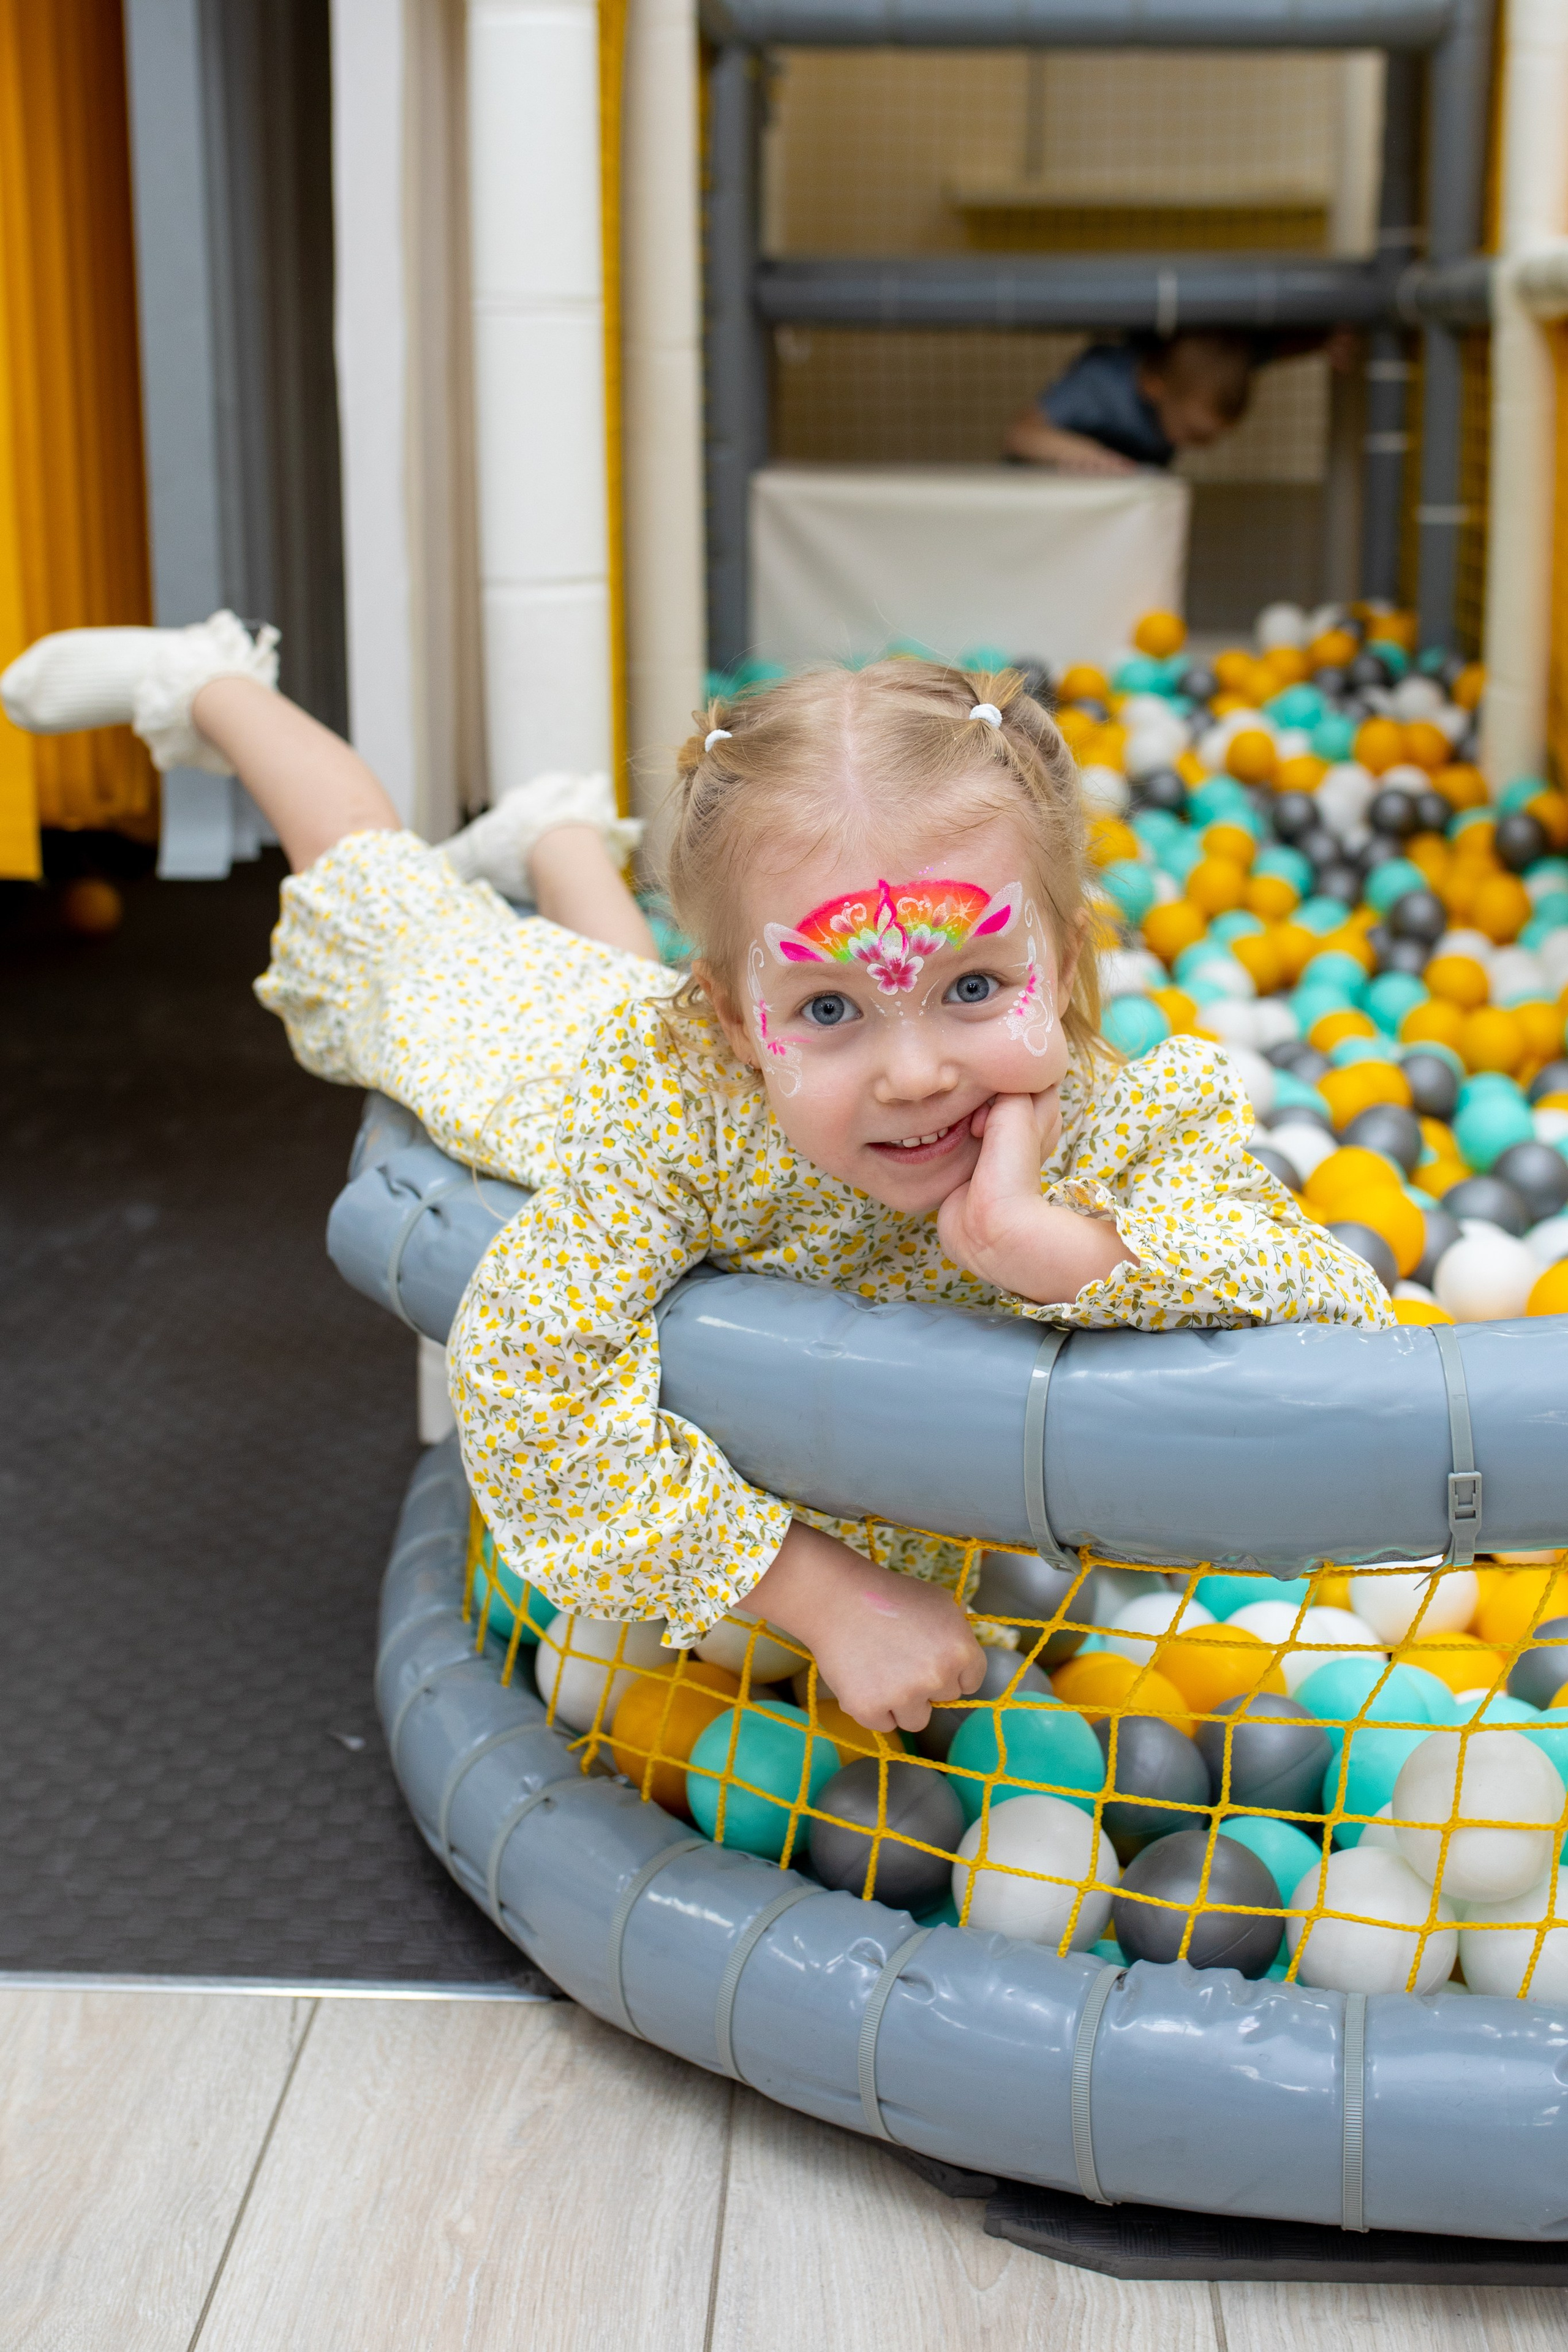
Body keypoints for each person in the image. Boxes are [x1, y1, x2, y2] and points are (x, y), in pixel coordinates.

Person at [3, 617, 1390, 1738]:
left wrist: (1054, 1246)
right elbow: (527, 1371)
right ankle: (214, 684)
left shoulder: (1099, 1112)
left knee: (626, 973)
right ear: (735, 1021)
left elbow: (1326, 1301)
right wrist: (822, 1592)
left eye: (972, 985)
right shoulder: (668, 1117)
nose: (916, 1074)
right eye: (832, 1009)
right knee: (381, 898)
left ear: (1064, 969)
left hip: (679, 1029)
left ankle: (557, 837)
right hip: (537, 1055)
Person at [1005, 328, 1352, 477]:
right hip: (1046, 494)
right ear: (1153, 388)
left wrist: (1326, 342)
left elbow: (1271, 351)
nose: (1201, 446)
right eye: (1195, 433)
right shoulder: (1101, 383)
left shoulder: (1217, 367)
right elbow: (1022, 433)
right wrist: (1087, 457)